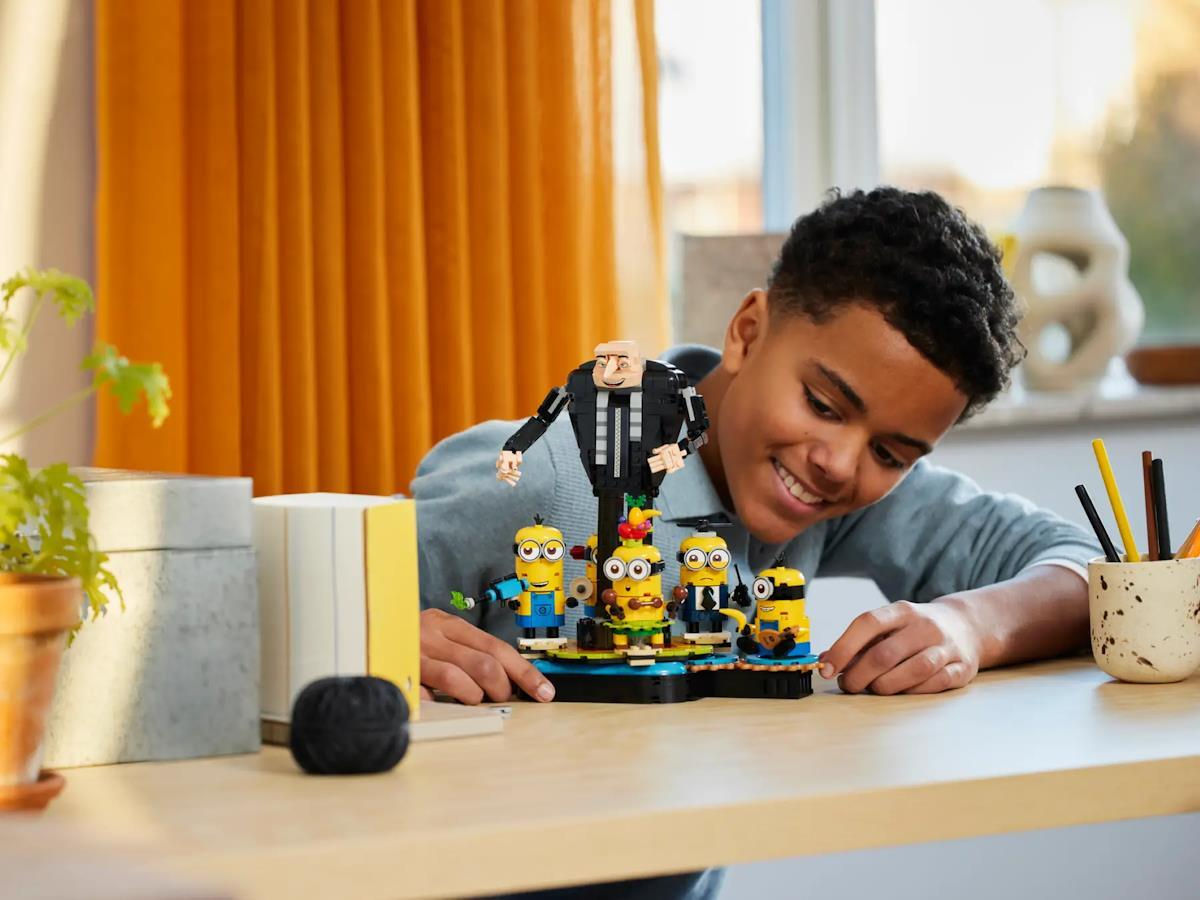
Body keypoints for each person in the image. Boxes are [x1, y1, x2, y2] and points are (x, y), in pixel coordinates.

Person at [410, 187, 1099, 900]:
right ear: (746, 332)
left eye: (891, 454)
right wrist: (378, 640)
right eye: (823, 405)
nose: (839, 464)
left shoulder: (832, 498)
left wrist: (970, 625)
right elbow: (335, 598)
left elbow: (1089, 569)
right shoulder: (548, 477)